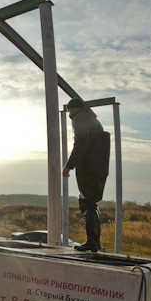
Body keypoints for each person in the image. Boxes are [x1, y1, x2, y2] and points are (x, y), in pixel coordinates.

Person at [62, 97, 110, 252]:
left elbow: (80, 144)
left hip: (89, 168)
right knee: (91, 202)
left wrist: (69, 166)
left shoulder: (80, 118)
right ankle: (94, 242)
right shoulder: (93, 120)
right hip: (100, 168)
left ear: (73, 108)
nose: (69, 113)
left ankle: (92, 242)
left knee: (86, 202)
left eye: (69, 110)